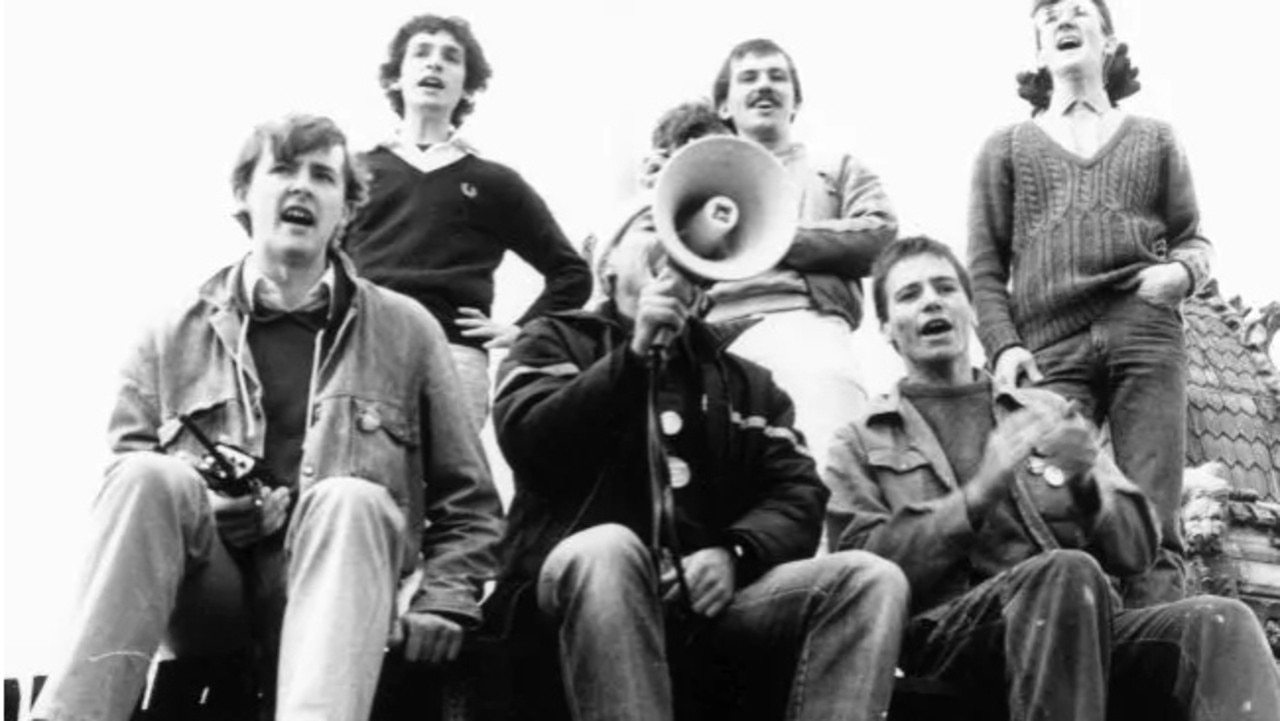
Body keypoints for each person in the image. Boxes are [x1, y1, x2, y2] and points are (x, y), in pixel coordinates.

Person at [33, 114, 504, 721]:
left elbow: (470, 503)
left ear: (347, 211)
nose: (302, 187)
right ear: (242, 196)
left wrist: (444, 600)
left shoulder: (409, 330)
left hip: (342, 597)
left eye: (323, 177)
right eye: (282, 170)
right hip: (211, 602)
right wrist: (209, 507)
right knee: (146, 476)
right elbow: (126, 504)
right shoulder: (166, 335)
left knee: (351, 499)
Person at [486, 201, 908, 721]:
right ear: (607, 262)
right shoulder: (553, 339)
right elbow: (530, 442)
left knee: (868, 579)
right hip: (574, 598)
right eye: (649, 225)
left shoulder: (749, 384)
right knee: (608, 548)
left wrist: (735, 553)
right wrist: (634, 358)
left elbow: (798, 493)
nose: (674, 241)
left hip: (707, 611)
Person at [828, 235, 1279, 720]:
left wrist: (1087, 482)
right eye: (909, 294)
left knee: (1219, 620)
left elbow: (1137, 550)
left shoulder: (1046, 412)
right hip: (950, 642)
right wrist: (977, 495)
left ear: (971, 309)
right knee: (1065, 570)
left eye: (945, 288)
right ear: (888, 330)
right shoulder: (860, 441)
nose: (931, 300)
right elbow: (866, 573)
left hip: (1080, 626)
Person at [967, 0, 1212, 606]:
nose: (1065, 19)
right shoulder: (1006, 147)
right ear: (1038, 47)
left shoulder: (1156, 137)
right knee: (1045, 506)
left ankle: (1155, 666)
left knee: (1154, 518)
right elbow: (984, 264)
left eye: (1081, 10)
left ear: (1109, 39)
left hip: (1145, 332)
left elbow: (1195, 237)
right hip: (1049, 349)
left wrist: (1180, 273)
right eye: (1049, 14)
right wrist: (1004, 345)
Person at [344, 13, 592, 426]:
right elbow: (315, 263)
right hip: (363, 349)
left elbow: (571, 273)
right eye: (421, 53)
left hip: (454, 358)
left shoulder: (494, 182)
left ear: (467, 84)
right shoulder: (355, 172)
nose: (434, 63)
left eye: (450, 57)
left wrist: (523, 330)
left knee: (446, 487)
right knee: (358, 482)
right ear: (395, 78)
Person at [706, 38, 898, 479]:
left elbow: (881, 234)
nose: (764, 86)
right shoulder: (698, 176)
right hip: (717, 341)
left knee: (830, 477)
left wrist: (774, 236)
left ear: (796, 100)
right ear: (723, 106)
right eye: (748, 77)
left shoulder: (835, 168)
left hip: (809, 328)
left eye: (777, 76)